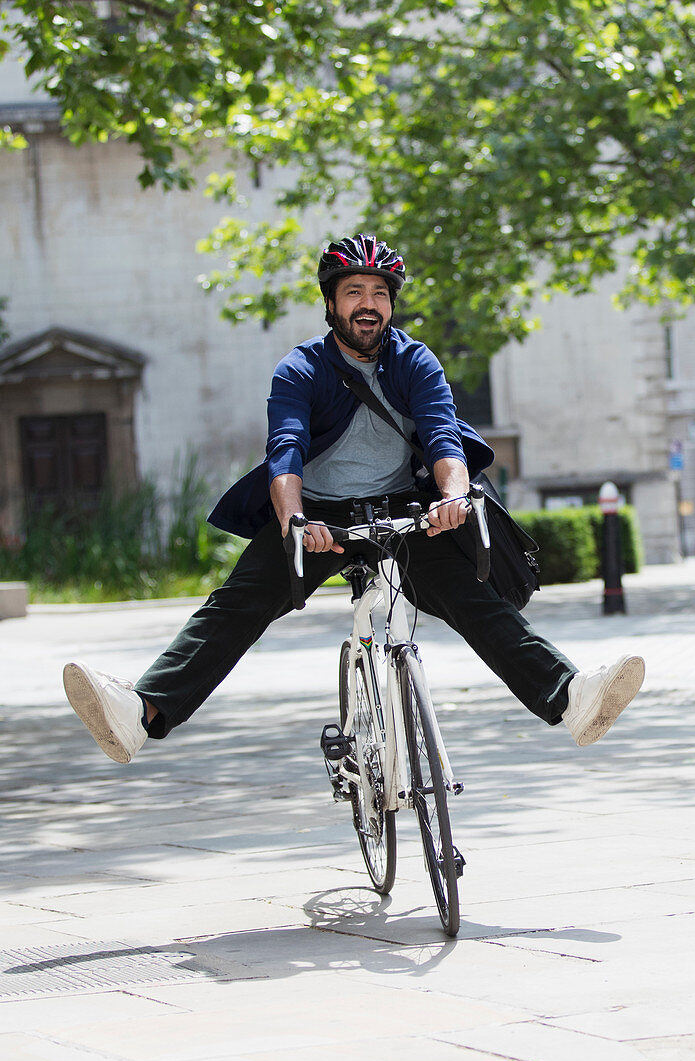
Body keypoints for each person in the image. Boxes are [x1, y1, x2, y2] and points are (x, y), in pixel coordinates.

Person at [63, 232, 645, 765]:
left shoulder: (414, 361)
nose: (367, 303)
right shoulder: (301, 369)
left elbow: (444, 438)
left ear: (391, 303)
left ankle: (571, 699)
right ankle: (142, 713)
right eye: (353, 292)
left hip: (404, 511)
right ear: (332, 303)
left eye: (378, 292)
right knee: (236, 604)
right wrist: (292, 521)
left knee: (478, 602)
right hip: (318, 517)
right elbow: (285, 449)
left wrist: (454, 500)